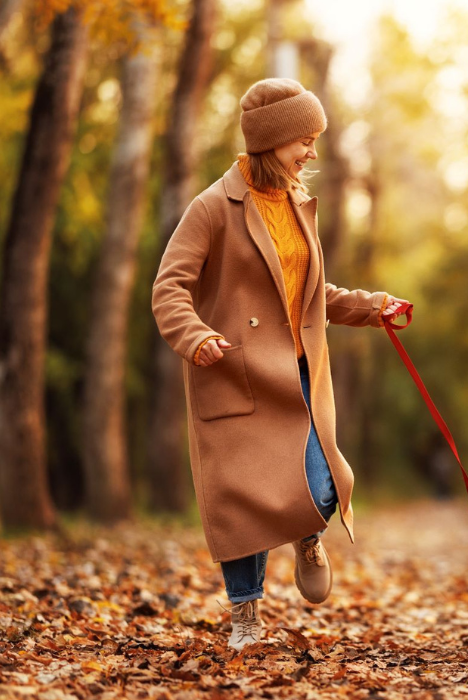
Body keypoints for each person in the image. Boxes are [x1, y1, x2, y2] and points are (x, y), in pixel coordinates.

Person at [151, 78, 408, 650]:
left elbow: (311, 292)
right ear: (272, 141)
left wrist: (374, 307)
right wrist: (194, 336)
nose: (312, 152)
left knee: (323, 486)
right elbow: (169, 287)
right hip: (234, 373)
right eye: (304, 140)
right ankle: (245, 617)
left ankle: (305, 533)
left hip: (298, 373)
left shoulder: (296, 204)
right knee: (238, 504)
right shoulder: (213, 207)